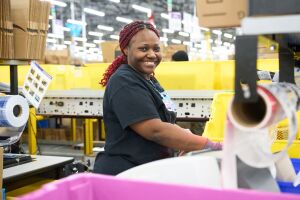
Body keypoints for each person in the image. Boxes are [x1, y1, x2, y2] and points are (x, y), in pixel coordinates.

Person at [93, 21, 222, 175]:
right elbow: (155, 130)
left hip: (148, 170)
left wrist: (183, 137)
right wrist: (208, 145)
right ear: (126, 49)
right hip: (126, 173)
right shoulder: (124, 81)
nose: (152, 54)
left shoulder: (149, 80)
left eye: (156, 49)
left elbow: (164, 120)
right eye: (143, 48)